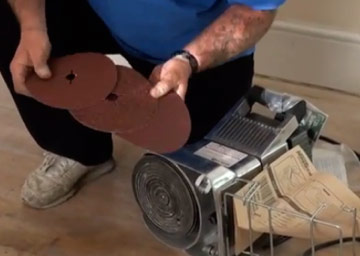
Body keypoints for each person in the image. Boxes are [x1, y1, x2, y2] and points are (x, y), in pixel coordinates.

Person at [0, 0, 285, 209]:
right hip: (97, 19)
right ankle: (78, 151)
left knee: (194, 184)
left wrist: (188, 60)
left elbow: (256, 9)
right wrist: (32, 27)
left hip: (193, 54)